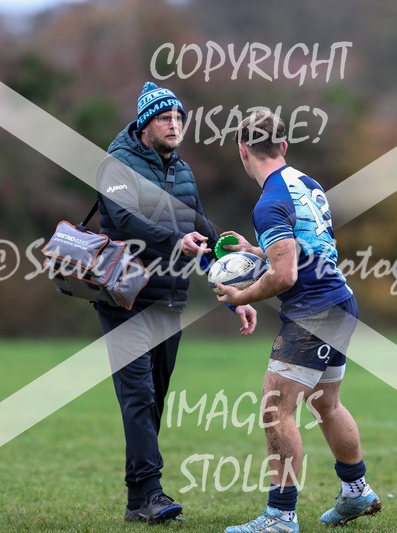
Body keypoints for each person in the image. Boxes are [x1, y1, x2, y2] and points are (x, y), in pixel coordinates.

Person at [95, 81, 257, 524]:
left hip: (169, 300)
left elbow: (202, 233)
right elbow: (124, 219)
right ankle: (151, 494)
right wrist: (174, 241)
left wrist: (237, 295)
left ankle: (138, 502)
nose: (174, 125)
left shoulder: (181, 170)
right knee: (139, 395)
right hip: (124, 299)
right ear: (145, 124)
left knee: (154, 399)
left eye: (179, 118)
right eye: (165, 118)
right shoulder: (116, 165)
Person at [215, 110, 381, 532]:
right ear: (284, 146)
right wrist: (255, 251)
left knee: (276, 407)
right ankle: (356, 492)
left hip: (314, 311)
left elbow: (284, 275)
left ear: (243, 150)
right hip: (340, 302)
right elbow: (304, 250)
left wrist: (240, 295)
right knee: (326, 403)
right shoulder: (307, 185)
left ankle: (280, 516)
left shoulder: (269, 202)